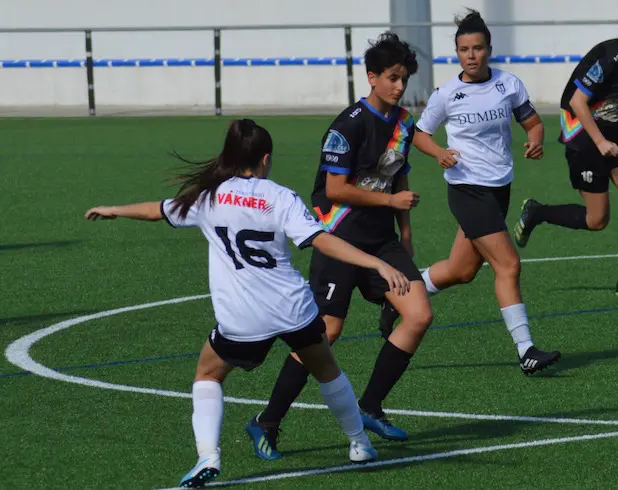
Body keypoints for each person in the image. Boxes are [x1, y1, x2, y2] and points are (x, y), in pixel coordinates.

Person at [83, 119, 411, 488]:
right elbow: (321, 240)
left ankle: (208, 456)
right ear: (265, 159)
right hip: (293, 310)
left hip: (242, 318)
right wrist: (376, 262)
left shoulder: (209, 196)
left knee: (208, 374)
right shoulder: (280, 196)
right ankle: (359, 443)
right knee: (327, 370)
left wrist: (115, 209)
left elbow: (157, 210)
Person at [245, 32, 431, 460]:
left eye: (404, 78)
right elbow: (336, 189)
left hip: (381, 241)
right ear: (371, 77)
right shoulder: (347, 126)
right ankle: (267, 421)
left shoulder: (401, 123)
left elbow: (397, 174)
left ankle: (370, 405)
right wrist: (390, 201)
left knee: (419, 314)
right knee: (325, 333)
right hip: (340, 240)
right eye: (392, 78)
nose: (400, 86)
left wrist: (405, 231)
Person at [379, 10, 562, 375]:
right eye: (464, 49)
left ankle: (398, 297)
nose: (471, 55)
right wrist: (440, 154)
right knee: (508, 264)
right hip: (466, 189)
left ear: (489, 49)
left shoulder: (508, 85)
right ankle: (526, 350)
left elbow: (533, 122)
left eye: (477, 48)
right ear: (457, 52)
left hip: (499, 188)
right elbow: (420, 134)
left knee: (462, 271)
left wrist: (535, 141)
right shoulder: (447, 94)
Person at [512, 0, 618, 297]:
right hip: (583, 136)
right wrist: (599, 142)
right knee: (596, 220)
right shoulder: (610, 57)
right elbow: (577, 102)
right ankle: (537, 212)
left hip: (614, 134)